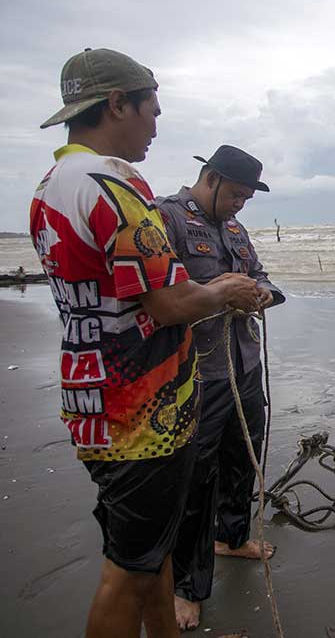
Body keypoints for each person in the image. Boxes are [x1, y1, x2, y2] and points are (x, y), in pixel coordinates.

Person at [29, 48, 260, 638]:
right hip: (142, 413)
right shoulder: (114, 184)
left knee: (148, 552)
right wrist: (224, 291)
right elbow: (168, 303)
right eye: (151, 111)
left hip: (94, 396)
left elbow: (112, 295)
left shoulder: (49, 186)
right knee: (127, 570)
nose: (156, 125)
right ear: (116, 104)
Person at [157, 145, 285, 630]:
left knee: (242, 455)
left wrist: (262, 294)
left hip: (244, 364)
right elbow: (161, 299)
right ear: (209, 178)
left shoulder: (235, 229)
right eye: (236, 194)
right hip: (197, 373)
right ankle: (187, 586)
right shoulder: (167, 220)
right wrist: (218, 295)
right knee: (196, 478)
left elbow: (263, 277)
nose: (240, 205)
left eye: (248, 198)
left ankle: (231, 538)